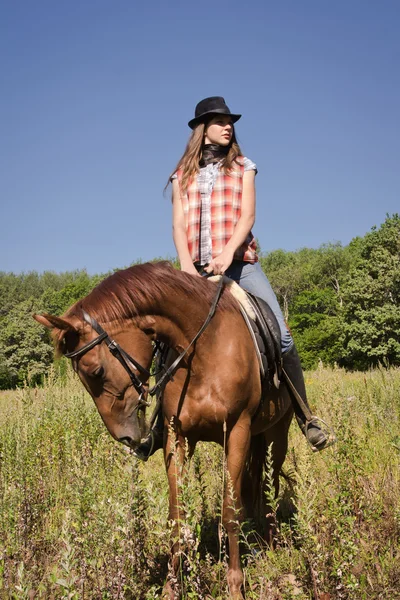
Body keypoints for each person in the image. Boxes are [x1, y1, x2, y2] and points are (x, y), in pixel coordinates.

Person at [134, 96, 333, 461]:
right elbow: (178, 224)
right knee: (165, 342)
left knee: (283, 337)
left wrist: (227, 255)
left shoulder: (244, 166)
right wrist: (186, 266)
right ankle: (157, 428)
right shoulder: (182, 175)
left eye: (230, 121)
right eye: (220, 120)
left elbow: (247, 217)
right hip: (194, 271)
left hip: (241, 265)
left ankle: (306, 416)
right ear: (202, 128)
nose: (228, 126)